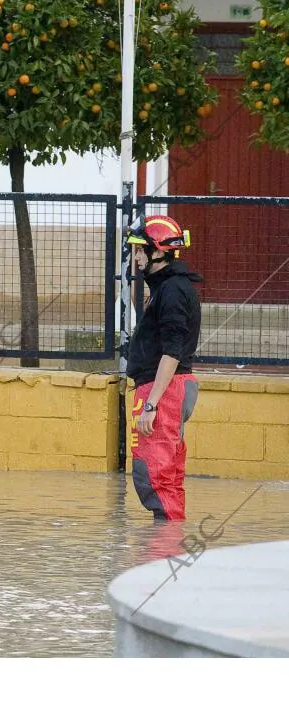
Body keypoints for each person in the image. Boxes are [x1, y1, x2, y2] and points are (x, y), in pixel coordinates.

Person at [125, 214, 202, 522]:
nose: (136, 257)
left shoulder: (171, 291)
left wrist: (151, 405)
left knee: (153, 476)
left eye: (140, 250)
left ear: (158, 251)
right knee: (166, 478)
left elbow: (171, 351)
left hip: (164, 391)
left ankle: (162, 552)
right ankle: (168, 547)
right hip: (171, 388)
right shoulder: (169, 287)